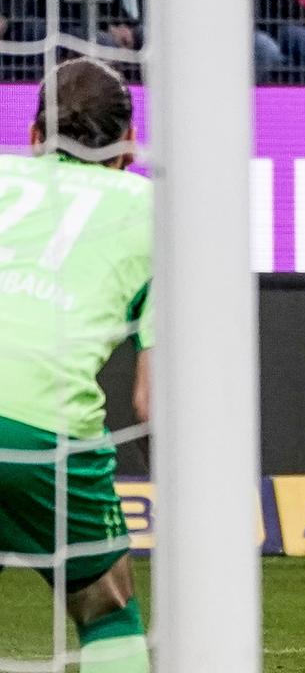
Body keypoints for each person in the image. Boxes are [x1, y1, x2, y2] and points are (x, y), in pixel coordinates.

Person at [0, 58, 152, 673]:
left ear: (35, 135)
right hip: (42, 432)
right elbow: (152, 404)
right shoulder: (157, 213)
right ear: (130, 144)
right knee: (107, 606)